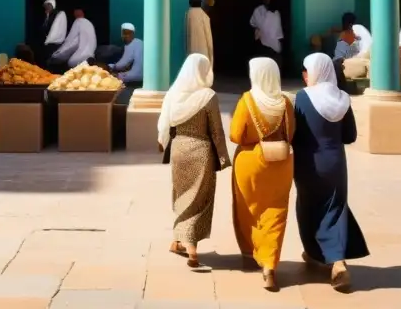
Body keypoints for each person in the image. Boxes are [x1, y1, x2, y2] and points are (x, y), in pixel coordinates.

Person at [293, 53, 369, 291]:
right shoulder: (342, 99)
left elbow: (295, 133)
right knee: (334, 208)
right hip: (335, 163)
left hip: (308, 163)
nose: (305, 75)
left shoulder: (303, 97)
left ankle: (318, 254)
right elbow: (350, 135)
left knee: (307, 206)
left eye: (307, 70)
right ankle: (336, 261)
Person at [158, 53, 231, 269]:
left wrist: (162, 142)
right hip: (201, 151)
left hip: (179, 148)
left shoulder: (173, 93)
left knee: (181, 194)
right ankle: (191, 246)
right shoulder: (208, 96)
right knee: (199, 198)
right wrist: (223, 157)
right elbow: (216, 131)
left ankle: (178, 240)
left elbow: (164, 123)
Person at [231, 58, 295, 291]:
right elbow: (291, 133)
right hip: (280, 163)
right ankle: (269, 265)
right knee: (276, 213)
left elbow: (235, 135)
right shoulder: (285, 102)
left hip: (249, 163)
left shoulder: (247, 100)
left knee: (249, 210)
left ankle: (250, 253)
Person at [250, 0, 284, 66]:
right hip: (262, 42)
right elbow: (253, 23)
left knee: (275, 62)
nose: (267, 0)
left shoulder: (276, 12)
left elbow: (278, 29)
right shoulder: (258, 10)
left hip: (274, 43)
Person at [185, 0, 214, 66]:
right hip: (204, 53)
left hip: (191, 53)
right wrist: (211, 56)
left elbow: (186, 37)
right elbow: (208, 37)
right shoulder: (204, 16)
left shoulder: (188, 15)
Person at [41, 0, 67, 65]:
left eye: (48, 5)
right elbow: (44, 28)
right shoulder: (48, 15)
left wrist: (49, 40)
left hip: (55, 43)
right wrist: (47, 16)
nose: (46, 8)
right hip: (49, 43)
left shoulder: (59, 14)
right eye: (45, 6)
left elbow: (55, 29)